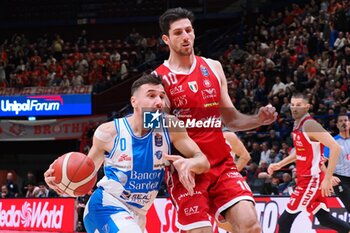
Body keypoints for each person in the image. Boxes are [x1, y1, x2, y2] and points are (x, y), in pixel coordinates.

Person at [154, 7, 277, 233]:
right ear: (166, 38)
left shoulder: (213, 67)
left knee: (251, 226)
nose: (185, 36)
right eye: (178, 32)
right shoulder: (157, 79)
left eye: (189, 30)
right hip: (187, 170)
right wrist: (190, 161)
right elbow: (164, 132)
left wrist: (257, 120)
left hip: (221, 165)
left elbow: (230, 118)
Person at [44, 74, 210, 233]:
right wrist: (60, 183)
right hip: (105, 206)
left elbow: (203, 161)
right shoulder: (109, 132)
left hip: (138, 215)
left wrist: (190, 163)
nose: (159, 102)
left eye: (161, 96)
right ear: (134, 102)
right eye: (151, 96)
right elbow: (85, 172)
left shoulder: (170, 126)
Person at [268, 93, 350, 233]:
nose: (294, 108)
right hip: (306, 178)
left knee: (284, 221)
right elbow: (300, 152)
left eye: (298, 105)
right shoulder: (297, 124)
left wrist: (328, 178)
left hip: (311, 180)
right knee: (324, 218)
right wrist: (280, 164)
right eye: (292, 104)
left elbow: (335, 147)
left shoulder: (310, 124)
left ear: (307, 107)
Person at [324, 113, 350, 213]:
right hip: (340, 180)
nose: (343, 123)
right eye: (341, 121)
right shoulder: (332, 142)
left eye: (346, 120)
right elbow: (320, 162)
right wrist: (329, 177)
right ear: (337, 125)